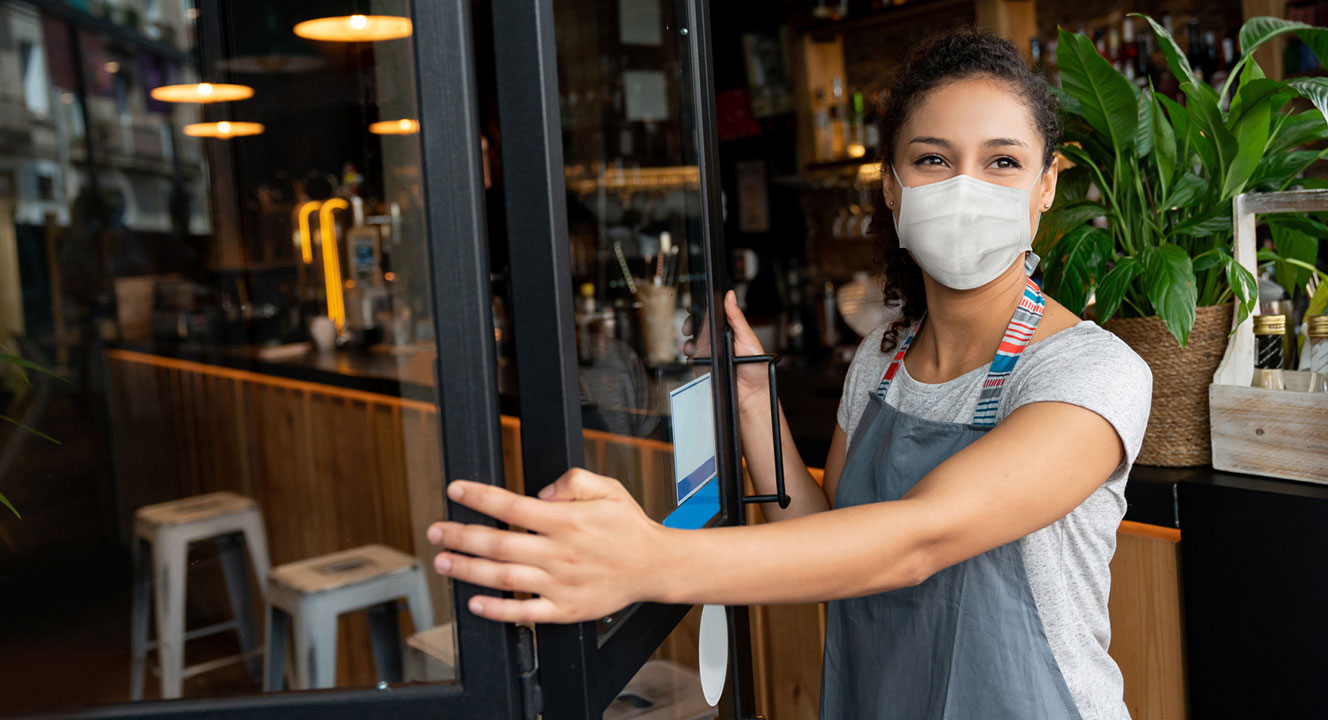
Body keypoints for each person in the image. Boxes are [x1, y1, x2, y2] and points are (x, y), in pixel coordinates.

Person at [426, 27, 1151, 720]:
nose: (967, 186)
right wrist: (751, 404)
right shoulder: (883, 357)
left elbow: (915, 541)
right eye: (933, 159)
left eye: (1002, 162)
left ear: (1047, 184)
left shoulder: (1088, 371)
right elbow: (830, 539)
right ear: (891, 186)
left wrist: (649, 559)